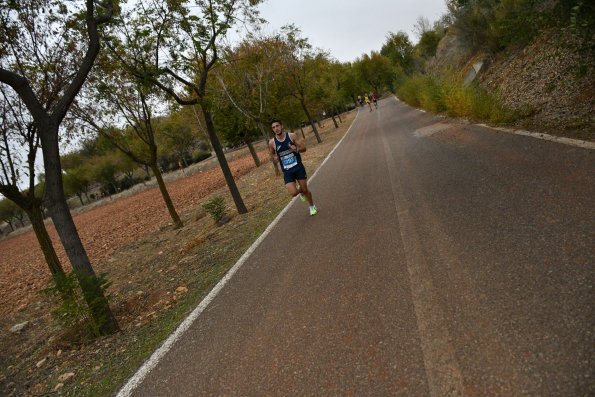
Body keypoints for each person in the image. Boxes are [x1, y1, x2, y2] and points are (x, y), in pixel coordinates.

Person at [269, 118, 318, 216]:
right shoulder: (272, 142)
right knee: (294, 193)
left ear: (281, 126)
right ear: (272, 129)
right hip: (287, 171)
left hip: (298, 167)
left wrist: (295, 149)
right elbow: (271, 156)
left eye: (277, 126)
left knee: (305, 189)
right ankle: (301, 192)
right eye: (273, 127)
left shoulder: (291, 136)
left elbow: (304, 148)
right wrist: (274, 159)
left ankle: (312, 206)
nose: (276, 128)